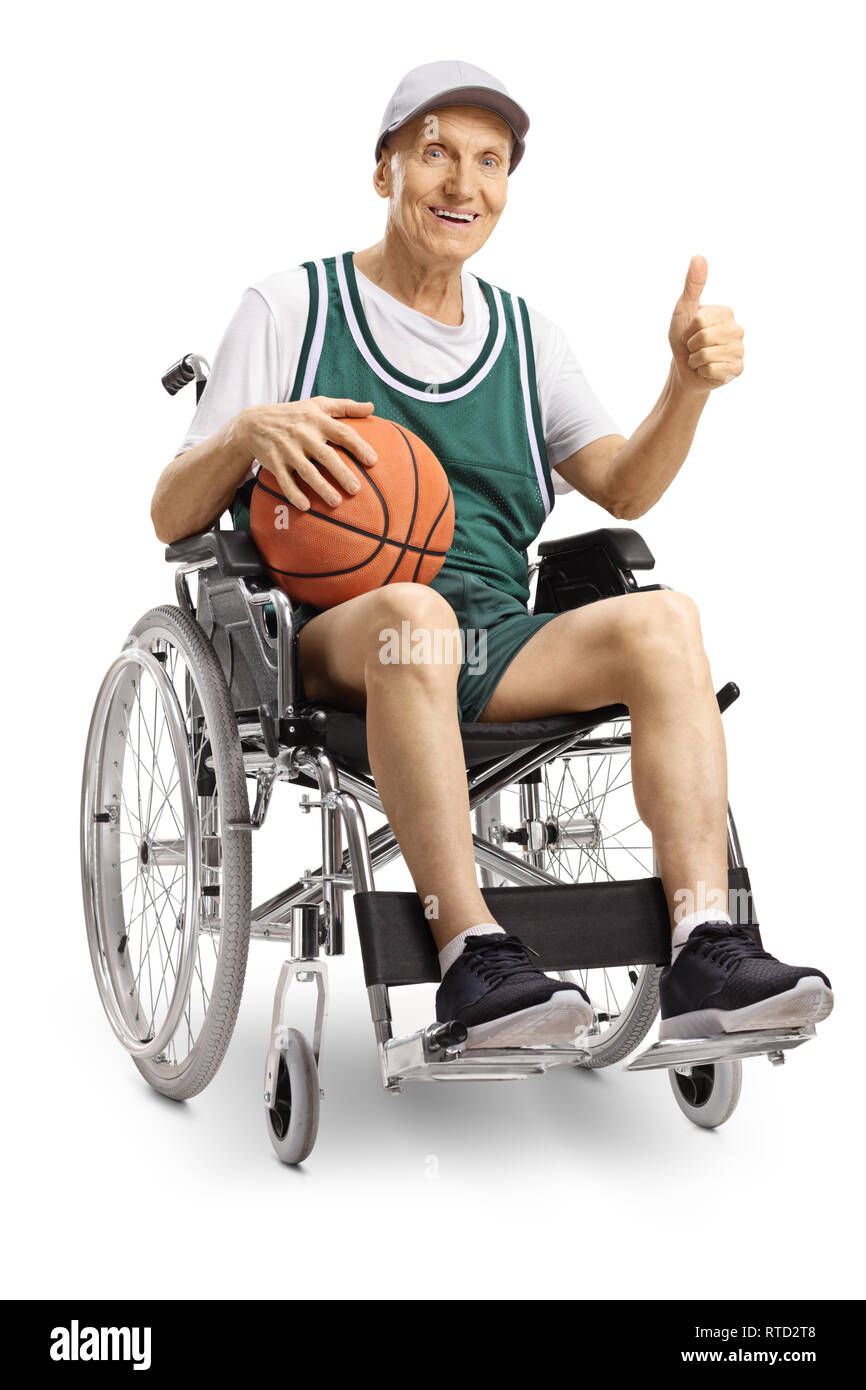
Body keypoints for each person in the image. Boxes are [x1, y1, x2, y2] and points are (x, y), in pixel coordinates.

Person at [151, 60, 833, 1048]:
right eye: (433, 153)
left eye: (488, 161)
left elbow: (626, 486)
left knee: (664, 618)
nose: (461, 184)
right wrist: (247, 435)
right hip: (333, 641)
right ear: (383, 171)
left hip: (486, 645)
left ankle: (703, 945)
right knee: (412, 617)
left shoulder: (526, 337)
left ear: (506, 187)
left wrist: (684, 384)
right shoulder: (288, 307)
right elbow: (168, 509)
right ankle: (472, 950)